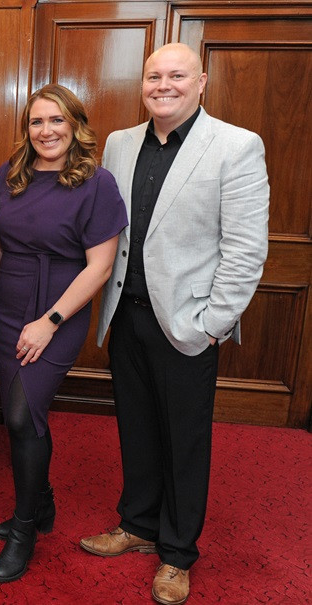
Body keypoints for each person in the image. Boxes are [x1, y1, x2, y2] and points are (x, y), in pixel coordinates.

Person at [80, 43, 269, 605]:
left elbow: (244, 249)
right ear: (142, 83)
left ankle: (177, 553)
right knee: (136, 430)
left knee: (184, 441)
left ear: (202, 81)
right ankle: (137, 524)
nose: (164, 85)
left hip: (187, 324)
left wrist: (213, 324)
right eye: (154, 76)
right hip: (127, 316)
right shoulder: (119, 143)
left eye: (177, 75)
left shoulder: (236, 146)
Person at [0, 84, 128, 582]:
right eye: (37, 122)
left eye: (56, 121)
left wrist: (50, 322)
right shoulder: (10, 176)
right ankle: (40, 504)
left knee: (22, 414)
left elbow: (100, 267)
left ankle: (25, 528)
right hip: (7, 304)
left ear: (75, 125)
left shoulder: (97, 183)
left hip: (60, 305)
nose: (46, 131)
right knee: (18, 411)